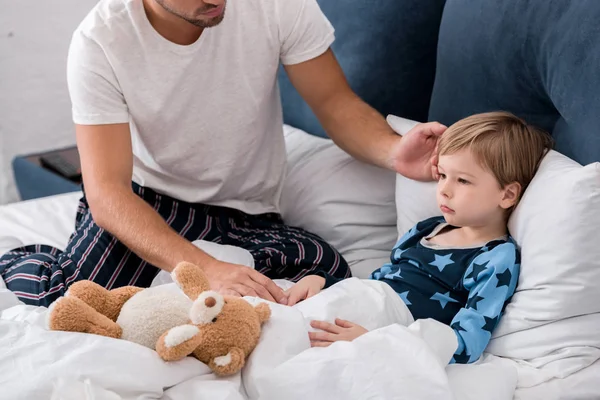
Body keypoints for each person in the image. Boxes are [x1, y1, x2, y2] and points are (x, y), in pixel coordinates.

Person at [0, 0, 447, 307]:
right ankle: (14, 258)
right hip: (150, 202)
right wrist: (205, 269)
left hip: (247, 214)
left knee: (329, 268)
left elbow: (334, 102)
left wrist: (393, 151)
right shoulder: (101, 40)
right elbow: (106, 193)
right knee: (75, 292)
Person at [285, 111, 554, 364]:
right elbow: (380, 284)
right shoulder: (426, 230)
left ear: (507, 195)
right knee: (279, 326)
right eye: (443, 175)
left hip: (382, 337)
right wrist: (324, 282)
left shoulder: (495, 257)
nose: (444, 191)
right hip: (357, 306)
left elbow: (466, 345)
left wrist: (372, 343)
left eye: (463, 181)